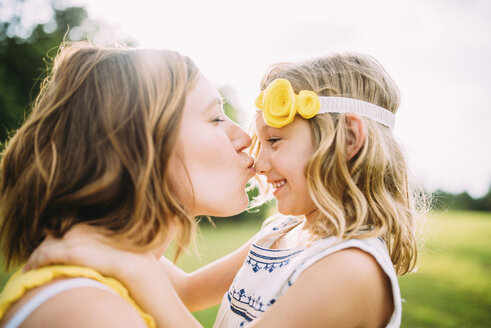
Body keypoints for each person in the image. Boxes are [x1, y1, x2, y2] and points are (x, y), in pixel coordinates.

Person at [20, 52, 424, 328]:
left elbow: (155, 287)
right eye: (216, 119)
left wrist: (132, 266)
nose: (257, 157)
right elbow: (183, 291)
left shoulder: (351, 269)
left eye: (276, 141)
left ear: (350, 139)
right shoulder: (279, 235)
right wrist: (98, 228)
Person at [0, 41, 256, 328]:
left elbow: (187, 289)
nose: (245, 138)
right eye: (215, 118)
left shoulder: (114, 262)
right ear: (142, 145)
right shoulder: (88, 311)